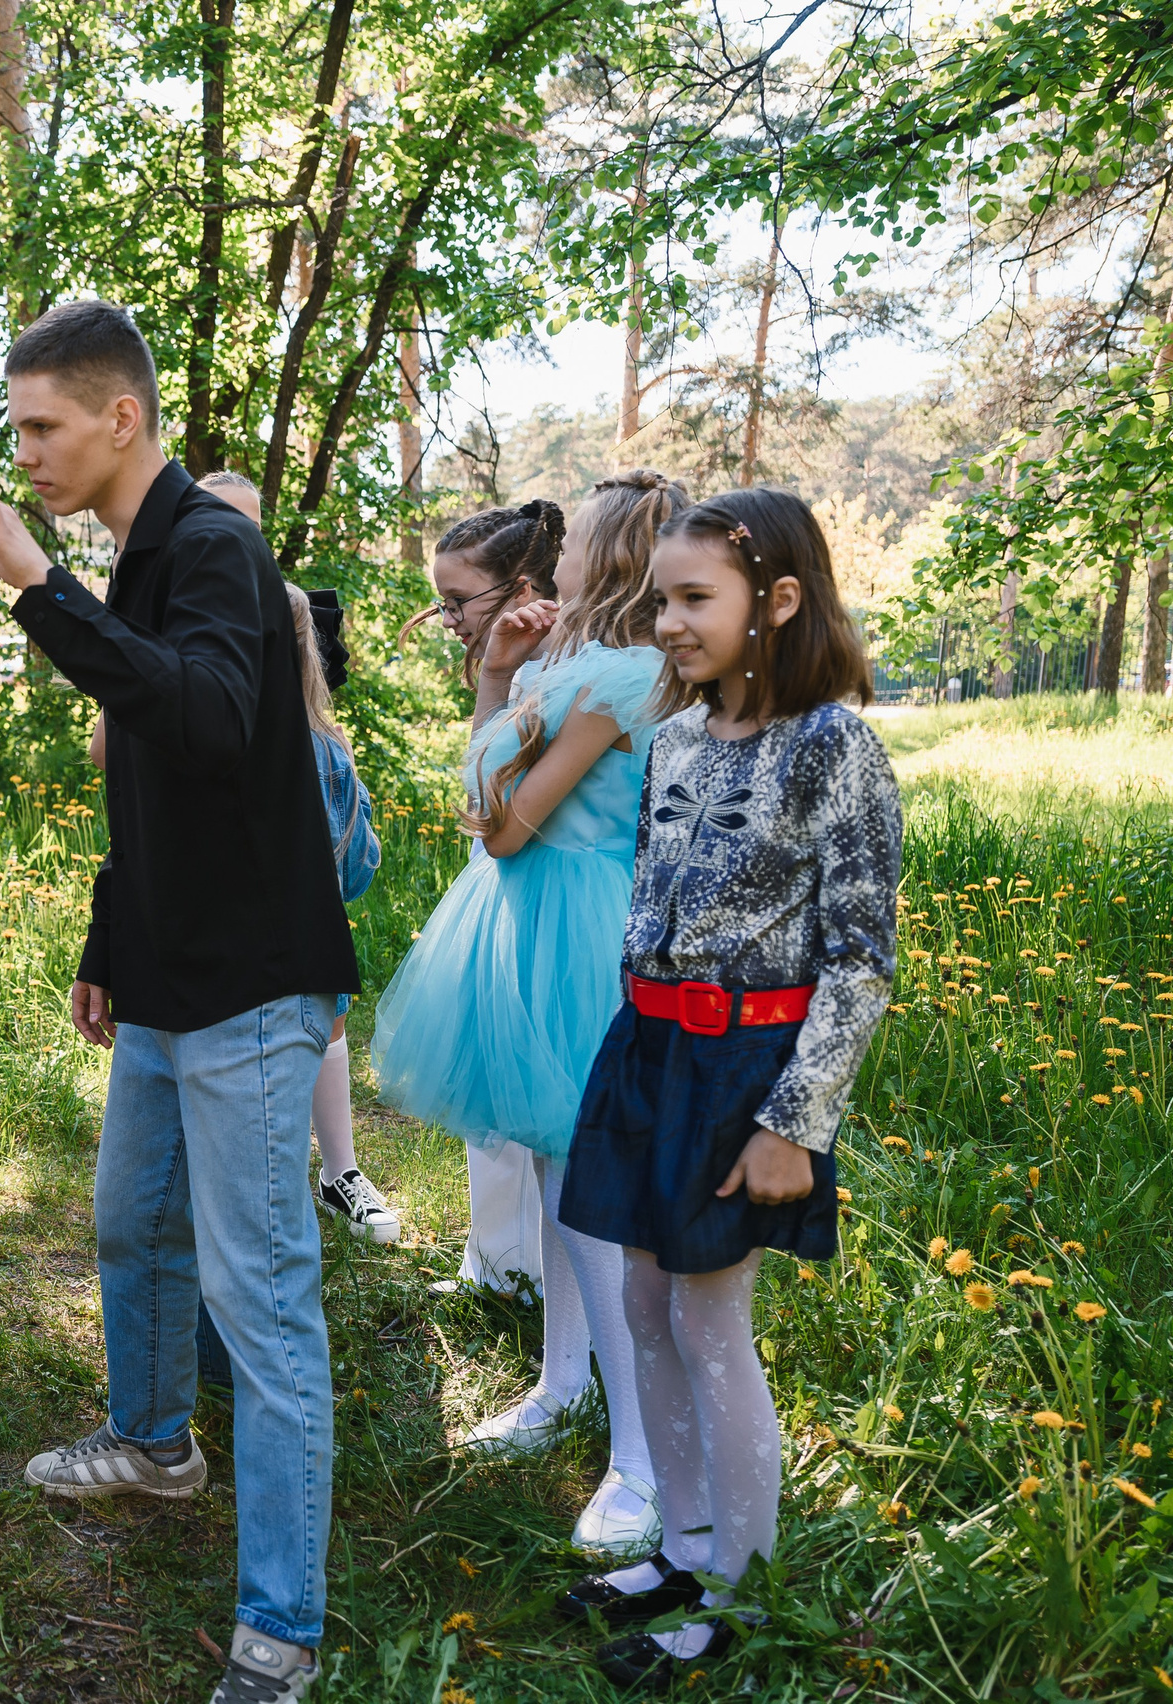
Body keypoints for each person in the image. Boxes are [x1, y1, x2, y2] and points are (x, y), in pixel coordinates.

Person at [0, 301, 355, 1704]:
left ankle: (281, 1628)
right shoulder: (145, 556)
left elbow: (218, 720)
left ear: (123, 418)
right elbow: (154, 785)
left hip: (249, 988)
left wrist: (40, 592)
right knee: (129, 1224)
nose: (28, 452)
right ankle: (156, 1445)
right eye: (20, 430)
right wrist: (111, 940)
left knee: (265, 1296)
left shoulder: (215, 546)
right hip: (169, 979)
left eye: (46, 427)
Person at [553, 488, 899, 1690]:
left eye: (693, 600)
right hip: (647, 1053)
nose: (666, 624)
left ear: (779, 602)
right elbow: (650, 905)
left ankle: (740, 1595)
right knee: (642, 1308)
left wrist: (793, 1122)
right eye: (661, 600)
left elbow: (862, 958)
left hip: (746, 1072)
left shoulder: (832, 747)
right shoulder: (678, 739)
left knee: (710, 1323)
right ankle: (684, 1551)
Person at [370, 472, 690, 1558]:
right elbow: (489, 794)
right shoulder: (572, 663)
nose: (554, 553)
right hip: (535, 917)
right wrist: (501, 678)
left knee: (591, 1196)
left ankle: (639, 1455)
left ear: (608, 557)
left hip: (579, 924)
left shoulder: (616, 677)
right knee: (557, 1178)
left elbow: (501, 825)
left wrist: (508, 686)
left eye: (578, 537)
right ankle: (562, 1382)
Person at [93, 472, 394, 1247]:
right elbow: (116, 778)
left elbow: (353, 865)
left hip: (270, 970)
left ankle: (338, 1173)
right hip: (189, 964)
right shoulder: (164, 624)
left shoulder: (313, 755)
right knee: (206, 1185)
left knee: (254, 1196)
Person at [381, 503, 566, 1302]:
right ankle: (498, 1267)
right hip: (501, 887)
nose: (447, 618)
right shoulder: (519, 666)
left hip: (548, 892)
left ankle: (534, 1278)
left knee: (538, 1079)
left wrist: (498, 679)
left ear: (520, 588)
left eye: (459, 601)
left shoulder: (561, 676)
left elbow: (493, 793)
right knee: (496, 1077)